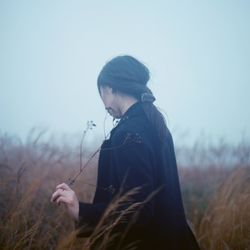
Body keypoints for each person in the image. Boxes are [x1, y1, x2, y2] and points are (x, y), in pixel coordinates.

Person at [51, 55, 200, 250]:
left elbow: (137, 209)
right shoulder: (155, 125)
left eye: (101, 93)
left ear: (110, 88)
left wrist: (80, 211)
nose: (103, 104)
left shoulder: (128, 134)